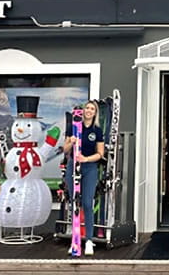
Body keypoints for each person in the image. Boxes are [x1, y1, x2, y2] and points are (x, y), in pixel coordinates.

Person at [63, 100, 104, 255]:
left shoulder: (97, 130)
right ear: (83, 110)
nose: (88, 110)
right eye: (87, 107)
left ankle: (89, 240)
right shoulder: (73, 127)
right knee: (74, 203)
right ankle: (75, 240)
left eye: (92, 109)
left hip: (89, 168)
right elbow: (65, 149)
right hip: (73, 166)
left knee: (87, 203)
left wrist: (86, 159)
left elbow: (100, 154)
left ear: (95, 113)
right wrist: (71, 142)